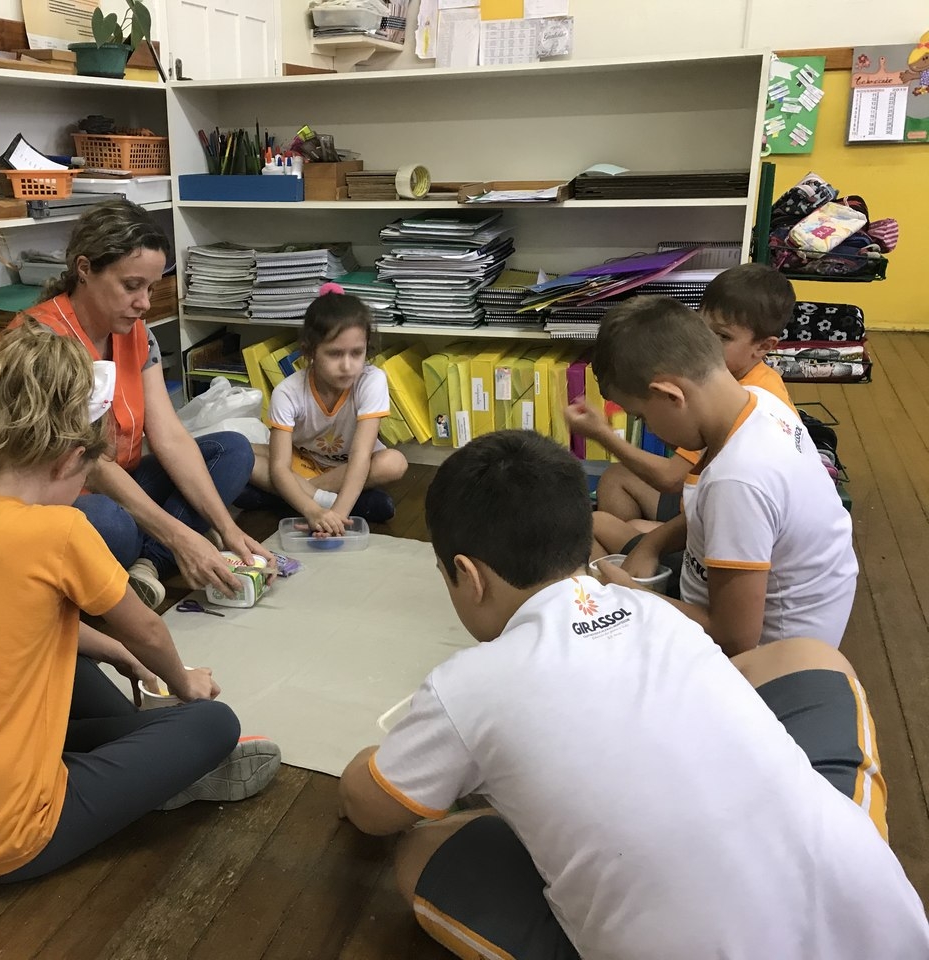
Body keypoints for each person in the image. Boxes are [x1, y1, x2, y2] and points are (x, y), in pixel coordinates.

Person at [338, 430, 928, 960]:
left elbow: (371, 810)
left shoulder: (465, 686)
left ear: (468, 575)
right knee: (810, 658)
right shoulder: (651, 609)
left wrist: (373, 763)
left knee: (421, 852)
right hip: (886, 925)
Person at [0, 321, 281, 883]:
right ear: (68, 460)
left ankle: (141, 768)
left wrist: (121, 657)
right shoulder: (59, 530)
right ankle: (156, 778)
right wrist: (183, 682)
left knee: (80, 664)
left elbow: (19, 628)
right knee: (213, 722)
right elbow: (147, 631)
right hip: (7, 843)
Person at [11, 199, 269, 609]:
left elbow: (169, 436)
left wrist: (228, 529)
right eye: (132, 286)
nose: (145, 302)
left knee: (232, 450)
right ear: (84, 269)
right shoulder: (43, 340)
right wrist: (180, 534)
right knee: (111, 525)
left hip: (122, 485)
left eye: (150, 287)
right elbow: (92, 466)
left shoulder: (136, 333)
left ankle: (147, 563)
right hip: (62, 500)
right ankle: (160, 550)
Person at [588, 296, 857, 655]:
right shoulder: (756, 402)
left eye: (641, 416)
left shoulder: (738, 480)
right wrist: (652, 545)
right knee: (593, 527)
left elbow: (734, 639)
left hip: (759, 660)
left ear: (670, 396)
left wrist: (633, 596)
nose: (648, 428)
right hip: (729, 604)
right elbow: (707, 514)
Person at [567, 263, 796, 536]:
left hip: (719, 518)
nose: (705, 343)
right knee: (615, 480)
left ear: (764, 347)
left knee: (611, 528)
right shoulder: (748, 385)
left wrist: (602, 434)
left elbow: (671, 478)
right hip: (700, 504)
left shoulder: (736, 403)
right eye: (702, 329)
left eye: (723, 336)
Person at [244, 285, 408, 532]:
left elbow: (360, 457)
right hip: (302, 462)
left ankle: (285, 498)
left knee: (394, 462)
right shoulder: (287, 392)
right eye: (334, 354)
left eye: (357, 353)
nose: (347, 366)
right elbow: (280, 467)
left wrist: (336, 516)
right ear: (310, 351)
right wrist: (314, 511)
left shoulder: (372, 380)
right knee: (242, 454)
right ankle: (325, 500)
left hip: (348, 469)